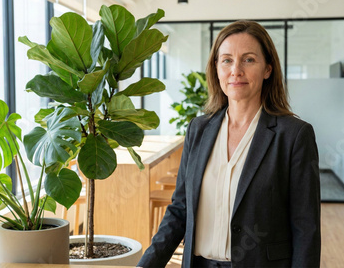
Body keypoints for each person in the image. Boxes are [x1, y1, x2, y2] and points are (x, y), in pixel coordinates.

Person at [137, 20, 321, 268]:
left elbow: (305, 227)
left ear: (267, 69)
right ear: (216, 68)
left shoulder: (294, 136)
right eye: (227, 60)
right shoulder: (198, 129)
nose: (236, 70)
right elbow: (180, 210)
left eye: (248, 60)